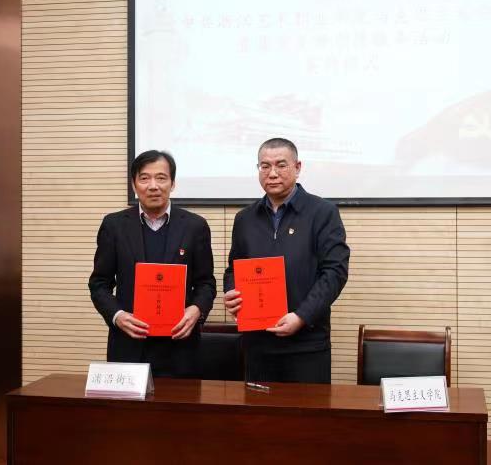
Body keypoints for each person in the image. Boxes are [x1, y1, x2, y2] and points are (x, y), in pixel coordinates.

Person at [223, 138, 350, 383]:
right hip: (258, 343)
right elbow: (233, 269)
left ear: (297, 167)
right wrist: (232, 292)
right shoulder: (244, 218)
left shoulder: (323, 212)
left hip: (307, 343)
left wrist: (301, 316)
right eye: (265, 166)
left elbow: (335, 272)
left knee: (308, 408)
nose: (272, 173)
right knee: (259, 408)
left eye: (281, 165)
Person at [89, 150, 216, 377]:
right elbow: (99, 284)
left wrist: (196, 310)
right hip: (129, 345)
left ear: (172, 183)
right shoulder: (114, 225)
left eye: (161, 178)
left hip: (180, 348)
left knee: (179, 402)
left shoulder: (195, 226)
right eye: (144, 178)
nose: (153, 186)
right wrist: (118, 316)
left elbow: (206, 283)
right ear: (134, 184)